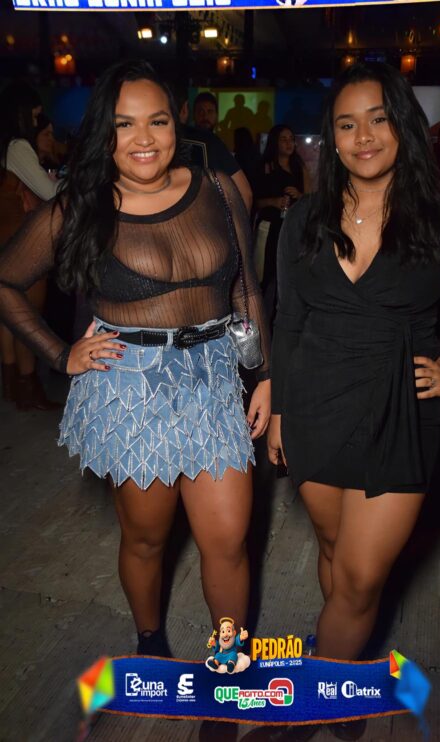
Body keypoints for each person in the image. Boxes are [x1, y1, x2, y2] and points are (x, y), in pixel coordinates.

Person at [0, 60, 270, 657]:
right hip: (131, 388)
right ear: (105, 132)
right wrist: (59, 353)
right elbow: (6, 281)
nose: (144, 138)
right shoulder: (81, 207)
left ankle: (230, 661)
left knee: (228, 539)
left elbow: (246, 288)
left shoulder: (217, 190)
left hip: (213, 378)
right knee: (147, 539)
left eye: (158, 121)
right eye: (125, 124)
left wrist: (266, 375)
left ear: (178, 124)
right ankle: (151, 645)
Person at [267, 62, 440, 741]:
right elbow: (288, 319)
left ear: (405, 126)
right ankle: (346, 682)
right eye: (346, 124)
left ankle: (309, 704)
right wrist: (279, 409)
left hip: (401, 411)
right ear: (332, 137)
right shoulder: (303, 218)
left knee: (362, 578)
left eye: (378, 119)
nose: (363, 136)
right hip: (314, 406)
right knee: (336, 553)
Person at [0, 81, 60, 410]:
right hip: (20, 242)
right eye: (35, 115)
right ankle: (29, 386)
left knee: (8, 316)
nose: (37, 121)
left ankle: (14, 385)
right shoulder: (18, 146)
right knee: (27, 315)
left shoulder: (5, 146)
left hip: (4, 237)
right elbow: (51, 194)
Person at [254, 124, 311, 324]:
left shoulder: (298, 167)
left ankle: (281, 320)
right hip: (269, 227)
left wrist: (300, 195)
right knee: (263, 274)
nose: (289, 143)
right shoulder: (265, 167)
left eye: (291, 139)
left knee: (287, 275)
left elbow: (310, 198)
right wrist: (274, 201)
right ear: (274, 142)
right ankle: (259, 320)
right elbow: (253, 201)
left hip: (292, 228)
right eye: (284, 139)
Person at [178, 87, 253, 212]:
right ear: (193, 114)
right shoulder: (211, 141)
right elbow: (246, 194)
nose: (205, 116)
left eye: (210, 111)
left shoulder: (175, 138)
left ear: (217, 115)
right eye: (200, 111)